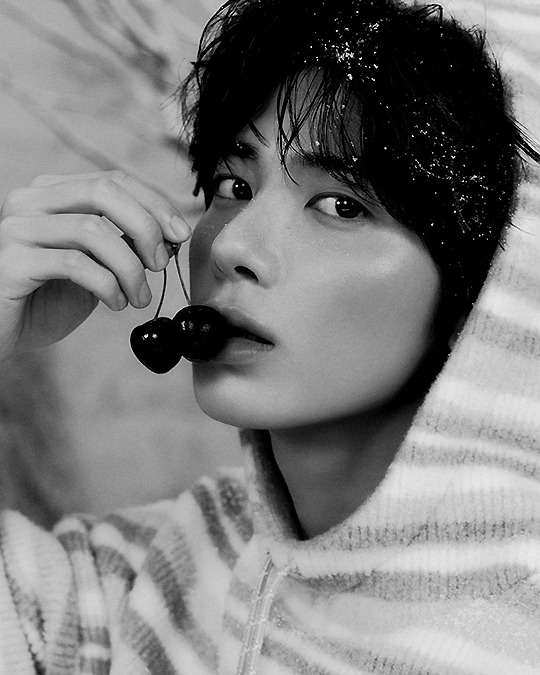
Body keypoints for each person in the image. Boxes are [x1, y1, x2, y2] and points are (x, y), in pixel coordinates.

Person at [0, 0, 539, 672]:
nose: (234, 245)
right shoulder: (148, 584)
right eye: (234, 184)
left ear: (496, 283)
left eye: (341, 205)